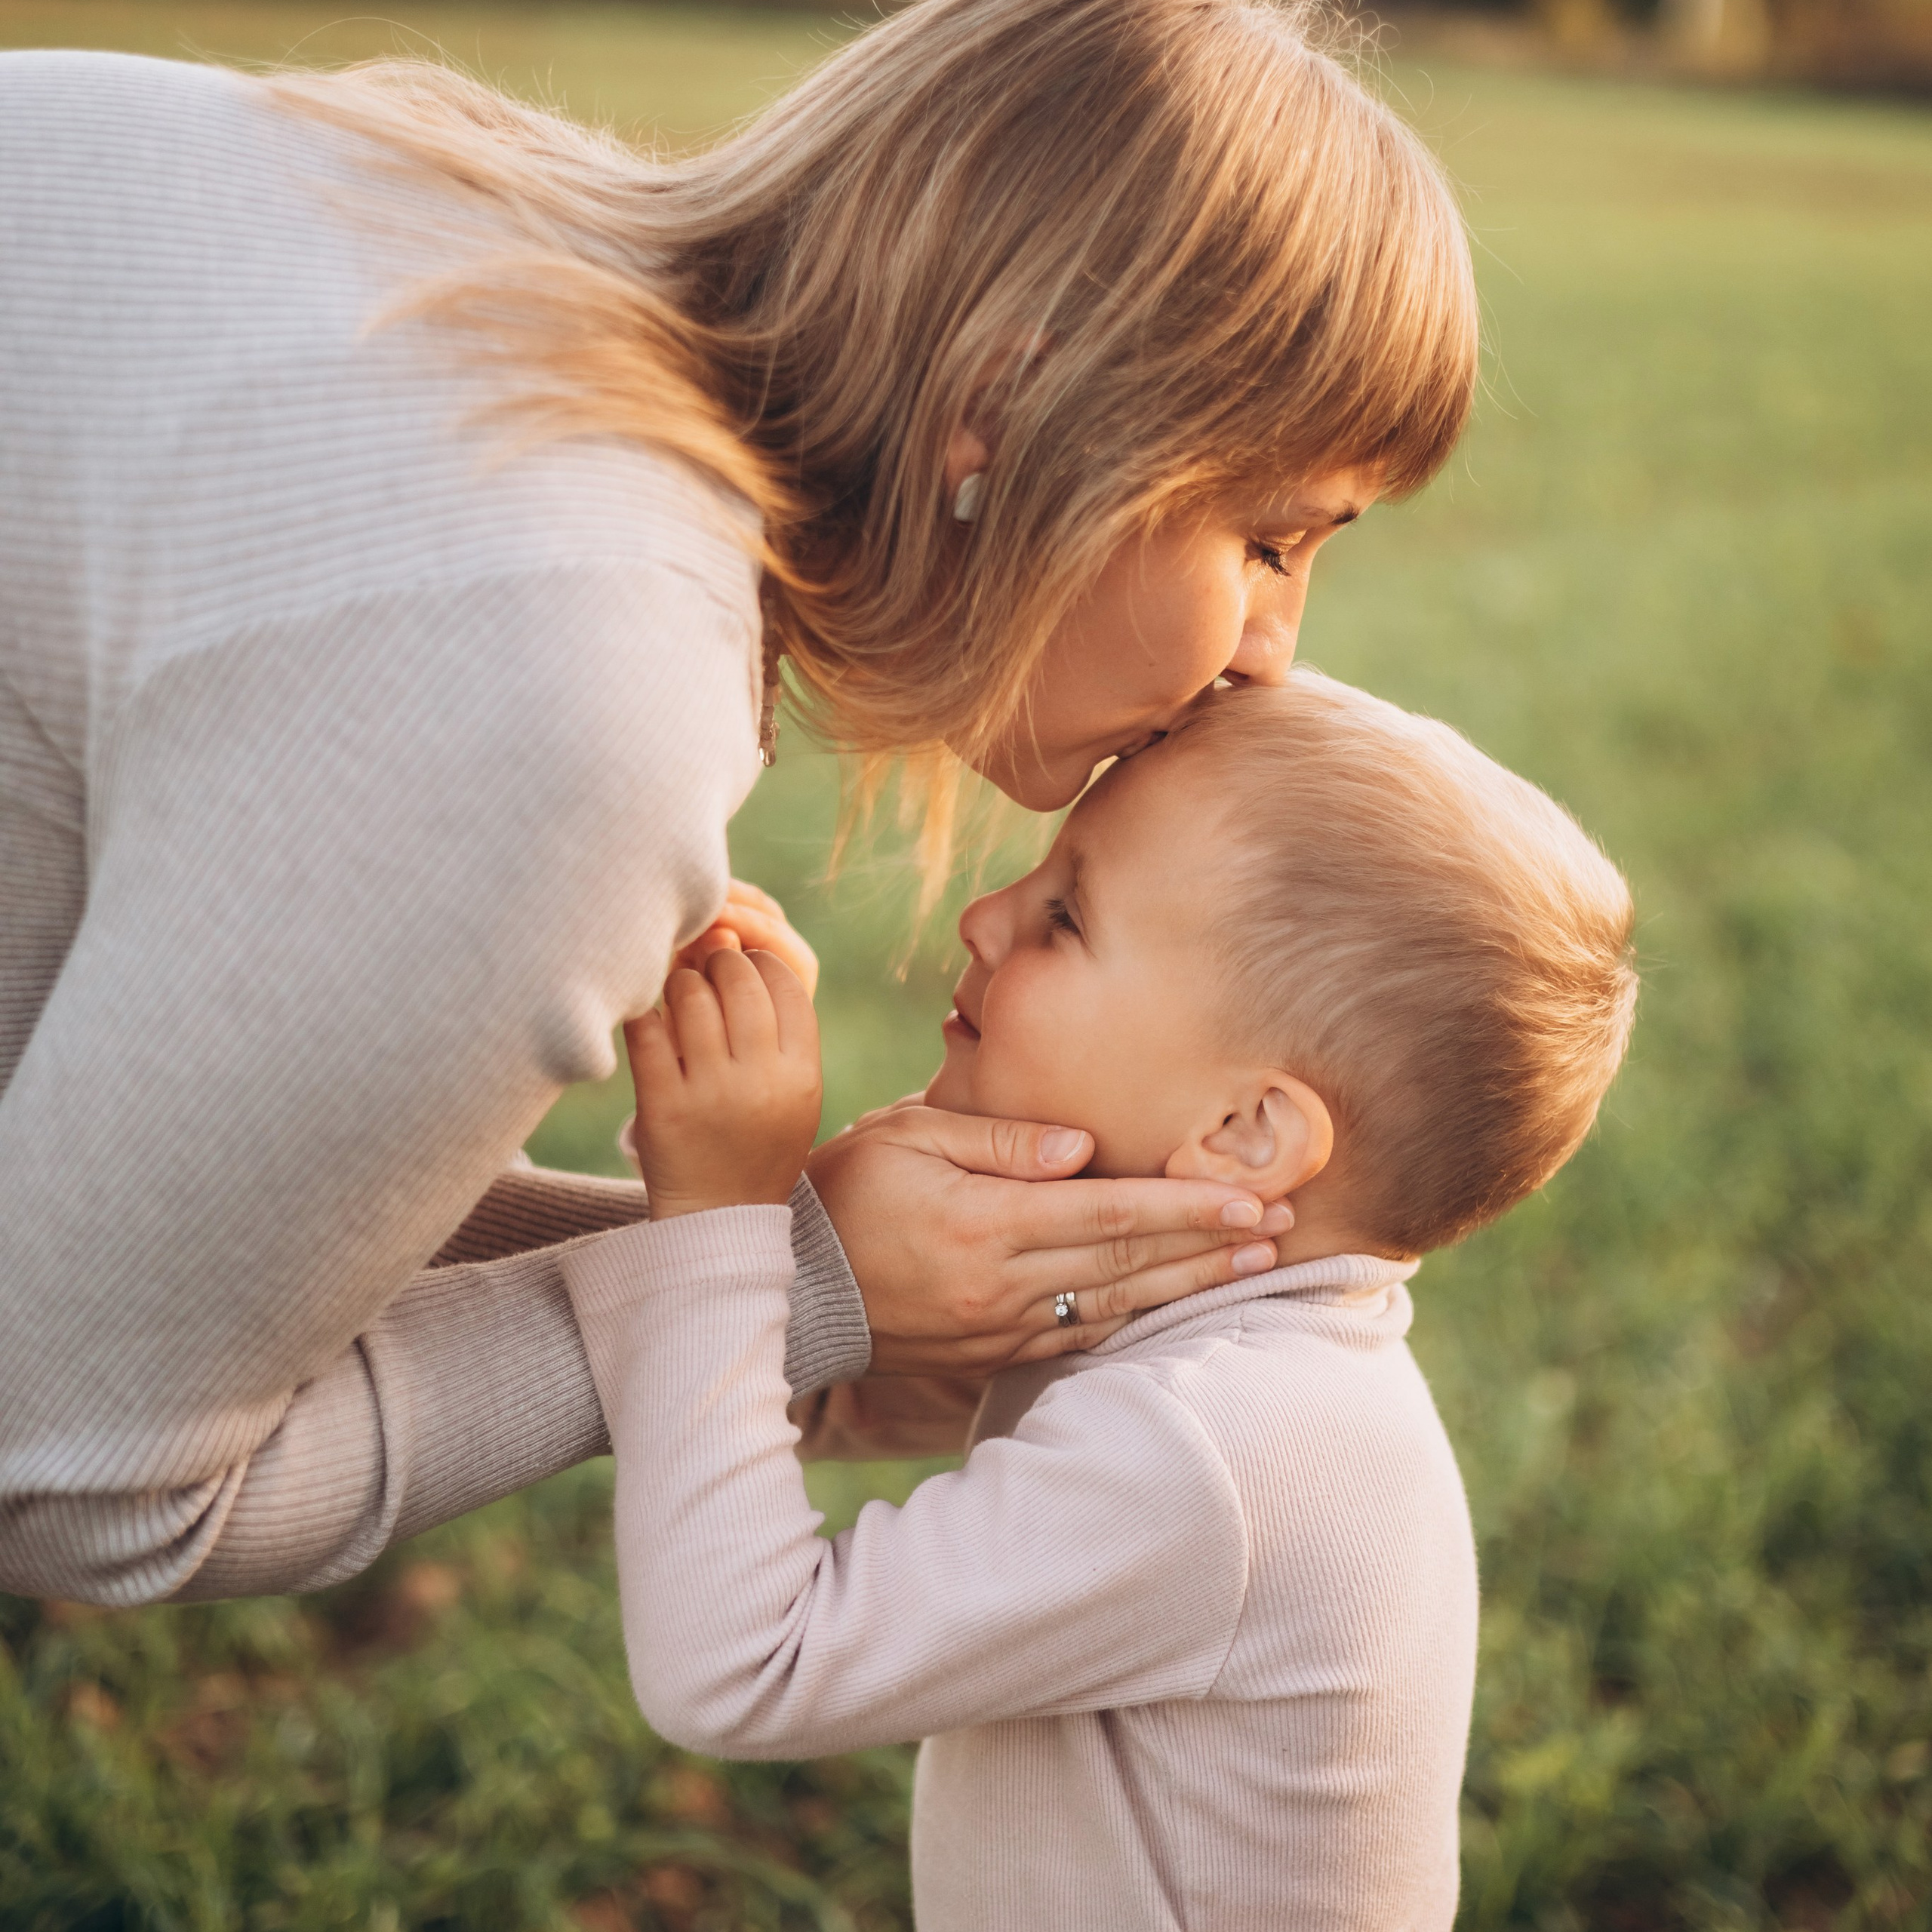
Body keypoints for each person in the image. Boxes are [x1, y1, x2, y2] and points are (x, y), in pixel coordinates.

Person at [0, 0, 1476, 1604]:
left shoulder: (493, 248)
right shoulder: (564, 667)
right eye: (1268, 536)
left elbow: (163, 1208)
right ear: (1001, 405)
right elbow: (75, 1475)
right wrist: (784, 1289)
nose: (1270, 655)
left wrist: (759, 1258)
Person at [570, 671, 1639, 1930]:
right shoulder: (1238, 1340)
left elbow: (743, 1669)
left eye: (1066, 915)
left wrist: (726, 1215)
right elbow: (807, 1397)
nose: (982, 914)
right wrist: (745, 1197)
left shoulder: (1211, 1448)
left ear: (1245, 1132)